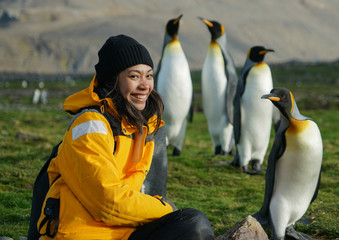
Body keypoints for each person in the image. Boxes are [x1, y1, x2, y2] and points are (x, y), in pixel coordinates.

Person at [37, 34, 215, 240]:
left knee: (193, 226)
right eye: (133, 76)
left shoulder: (140, 127)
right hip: (84, 235)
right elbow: (108, 203)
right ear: (113, 80)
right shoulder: (90, 126)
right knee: (192, 223)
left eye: (148, 75)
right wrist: (165, 208)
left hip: (123, 231)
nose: (145, 85)